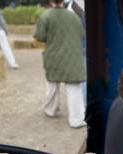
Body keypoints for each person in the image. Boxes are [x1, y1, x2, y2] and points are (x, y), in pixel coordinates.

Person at [34, 0, 86, 128]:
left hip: (54, 56)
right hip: (73, 57)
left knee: (52, 83)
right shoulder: (74, 16)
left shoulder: (45, 16)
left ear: (51, 1)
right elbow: (81, 34)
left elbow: (40, 36)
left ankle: (50, 110)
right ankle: (77, 119)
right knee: (74, 88)